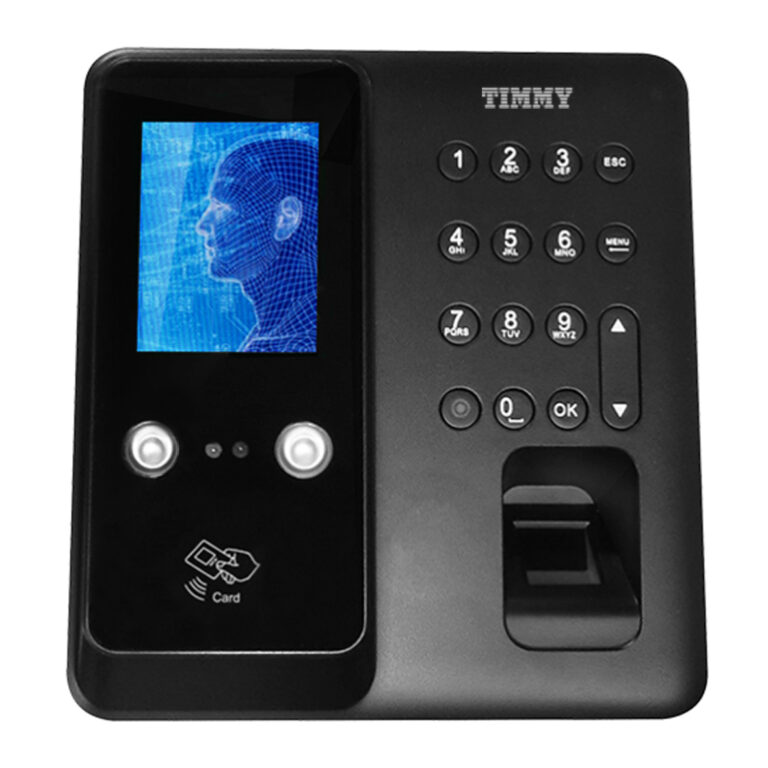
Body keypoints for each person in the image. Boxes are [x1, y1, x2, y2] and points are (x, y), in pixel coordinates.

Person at [196, 135, 318, 352]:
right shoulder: (279, 334)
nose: (202, 225)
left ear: (286, 218)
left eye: (221, 206)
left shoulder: (298, 344)